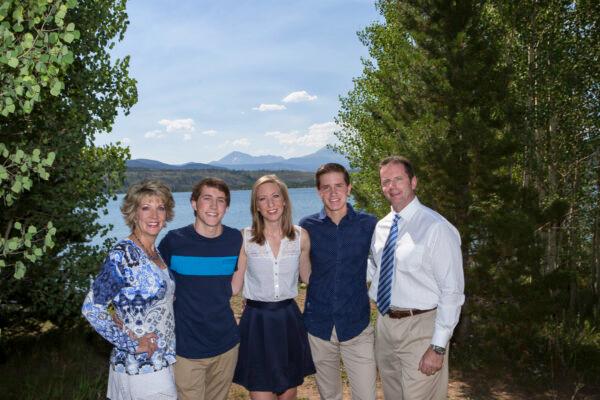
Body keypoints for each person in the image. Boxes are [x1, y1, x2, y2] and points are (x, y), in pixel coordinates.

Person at [368, 156, 465, 399]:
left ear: (413, 181)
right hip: (385, 327)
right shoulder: (381, 228)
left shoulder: (437, 228)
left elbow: (452, 292)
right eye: (385, 181)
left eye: (398, 179)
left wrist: (438, 346)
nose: (392, 186)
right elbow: (375, 270)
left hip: (421, 328)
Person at [82, 180, 177, 400]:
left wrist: (120, 318)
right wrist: (132, 344)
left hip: (161, 360)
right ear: (134, 213)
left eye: (160, 208)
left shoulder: (154, 253)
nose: (154, 215)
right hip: (141, 367)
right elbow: (92, 308)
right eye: (146, 208)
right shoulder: (123, 255)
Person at [158, 178, 243, 400]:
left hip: (226, 346)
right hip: (186, 349)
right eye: (207, 199)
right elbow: (157, 289)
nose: (214, 207)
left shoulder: (235, 240)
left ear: (227, 207)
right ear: (194, 203)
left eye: (220, 201)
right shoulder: (173, 242)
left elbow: (235, 286)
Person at [232, 174, 315, 400]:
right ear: (256, 206)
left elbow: (309, 277)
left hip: (289, 321)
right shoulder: (245, 238)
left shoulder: (301, 237)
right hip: (257, 322)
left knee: (288, 393)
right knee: (261, 392)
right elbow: (234, 287)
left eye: (275, 196)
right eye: (263, 199)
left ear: (285, 201)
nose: (270, 204)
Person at [299, 163, 378, 400]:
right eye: (326, 187)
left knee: (366, 395)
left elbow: (385, 263)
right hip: (318, 326)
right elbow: (302, 268)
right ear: (318, 191)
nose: (333, 193)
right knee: (329, 395)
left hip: (357, 325)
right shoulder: (306, 226)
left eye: (339, 186)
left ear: (349, 188)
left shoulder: (368, 224)